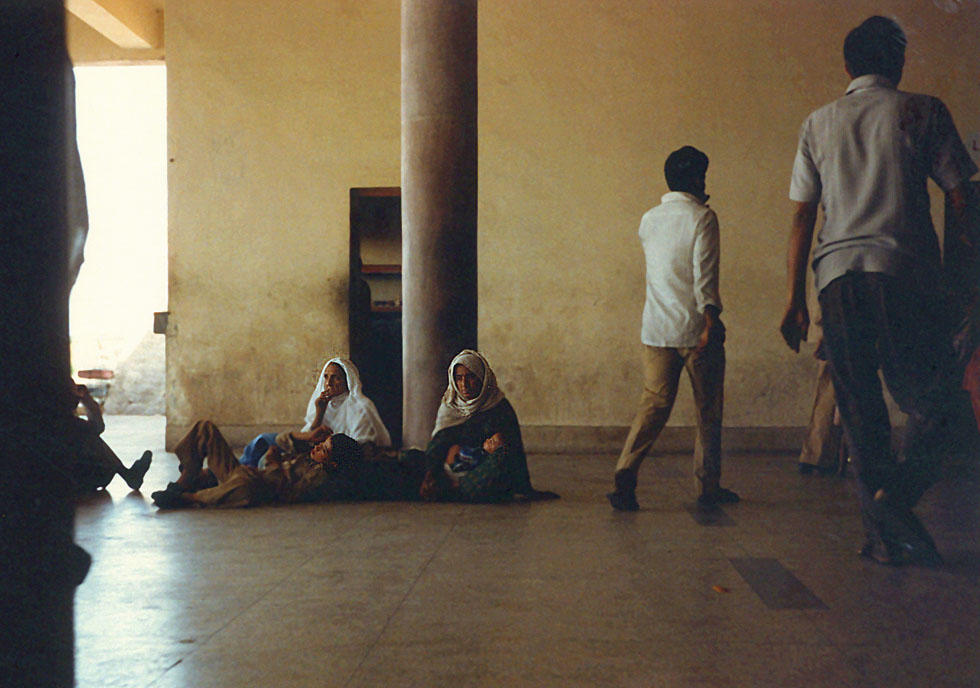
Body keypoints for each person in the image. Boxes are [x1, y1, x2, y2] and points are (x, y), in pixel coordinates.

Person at [780, 16, 977, 565]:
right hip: (905, 275)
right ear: (898, 62)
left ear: (847, 65)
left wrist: (794, 298)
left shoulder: (817, 123)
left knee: (862, 414)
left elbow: (802, 215)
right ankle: (897, 504)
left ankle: (886, 536)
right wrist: (966, 286)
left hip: (837, 281)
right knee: (945, 407)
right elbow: (961, 197)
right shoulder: (923, 110)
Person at [606, 146, 738, 511]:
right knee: (707, 411)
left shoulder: (649, 219)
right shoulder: (703, 218)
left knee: (654, 405)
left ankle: (626, 471)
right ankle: (706, 487)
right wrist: (712, 323)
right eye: (704, 175)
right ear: (696, 179)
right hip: (697, 331)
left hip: (657, 329)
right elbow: (704, 278)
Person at [419, 350, 558, 503]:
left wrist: (489, 450)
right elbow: (438, 444)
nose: (464, 385)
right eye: (459, 378)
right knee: (411, 457)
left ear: (482, 378)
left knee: (502, 459)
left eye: (470, 377)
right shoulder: (450, 405)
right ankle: (445, 487)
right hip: (451, 468)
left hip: (483, 472)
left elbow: (513, 452)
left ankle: (455, 489)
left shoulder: (498, 406)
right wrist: (429, 475)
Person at [151, 420, 362, 508]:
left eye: (323, 450)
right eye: (320, 445)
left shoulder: (318, 477)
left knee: (244, 486)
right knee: (205, 427)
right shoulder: (310, 455)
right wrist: (305, 438)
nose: (316, 449)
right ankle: (187, 478)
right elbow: (279, 441)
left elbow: (286, 490)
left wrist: (272, 462)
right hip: (245, 472)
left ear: (333, 464)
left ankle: (187, 497)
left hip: (254, 483)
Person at [239, 357, 391, 466]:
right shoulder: (323, 402)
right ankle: (242, 468)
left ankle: (240, 471)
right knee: (263, 443)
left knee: (266, 446)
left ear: (347, 381)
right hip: (315, 448)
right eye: (326, 377)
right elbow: (311, 434)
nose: (328, 383)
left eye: (335, 378)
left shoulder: (360, 406)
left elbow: (359, 446)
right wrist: (320, 411)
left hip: (329, 456)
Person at [69, 381, 151, 495]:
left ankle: (128, 475)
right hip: (76, 480)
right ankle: (128, 476)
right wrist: (86, 399)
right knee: (90, 437)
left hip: (81, 477)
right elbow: (98, 427)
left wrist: (85, 398)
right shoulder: (65, 422)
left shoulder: (66, 420)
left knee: (90, 436)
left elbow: (97, 427)